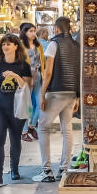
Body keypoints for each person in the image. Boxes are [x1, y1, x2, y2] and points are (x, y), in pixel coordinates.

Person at [34, 15, 80, 183]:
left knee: (43, 127)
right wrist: (78, 97)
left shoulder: (53, 44)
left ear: (57, 29)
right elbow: (79, 72)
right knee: (67, 129)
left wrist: (42, 94)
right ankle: (64, 169)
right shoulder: (76, 46)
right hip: (71, 93)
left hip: (56, 92)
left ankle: (47, 171)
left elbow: (48, 72)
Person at [0, 34, 32, 183]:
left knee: (15, 139)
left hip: (16, 108)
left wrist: (14, 75)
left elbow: (26, 87)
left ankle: (14, 169)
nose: (5, 46)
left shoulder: (23, 65)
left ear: (16, 46)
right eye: (3, 44)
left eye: (9, 44)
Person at [19, 23, 44, 142]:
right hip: (25, 78)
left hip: (38, 76)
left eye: (34, 31)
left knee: (40, 105)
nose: (33, 33)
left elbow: (42, 62)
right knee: (26, 105)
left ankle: (31, 126)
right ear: (25, 32)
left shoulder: (38, 46)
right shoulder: (20, 46)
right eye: (31, 31)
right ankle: (24, 131)